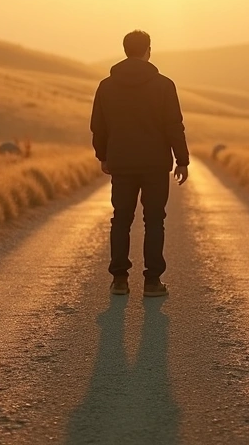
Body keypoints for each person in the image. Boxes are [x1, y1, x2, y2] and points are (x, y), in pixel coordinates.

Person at [91, 30, 189, 297]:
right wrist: (182, 160)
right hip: (155, 164)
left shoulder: (106, 86)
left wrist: (103, 156)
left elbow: (98, 127)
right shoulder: (164, 85)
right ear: (148, 50)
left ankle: (119, 281)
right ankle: (152, 282)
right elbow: (174, 126)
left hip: (121, 163)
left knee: (121, 219)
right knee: (154, 220)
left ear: (125, 50)